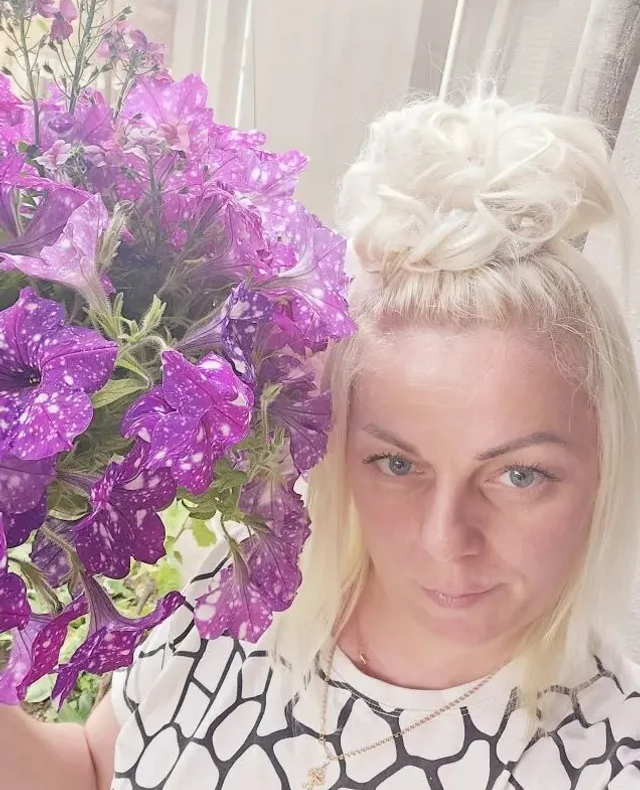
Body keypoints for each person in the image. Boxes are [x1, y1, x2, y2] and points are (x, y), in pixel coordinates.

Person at [3, 90, 640, 790]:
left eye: (520, 475)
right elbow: (97, 767)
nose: (444, 539)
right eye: (397, 463)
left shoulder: (610, 755)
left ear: (606, 462)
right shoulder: (247, 600)